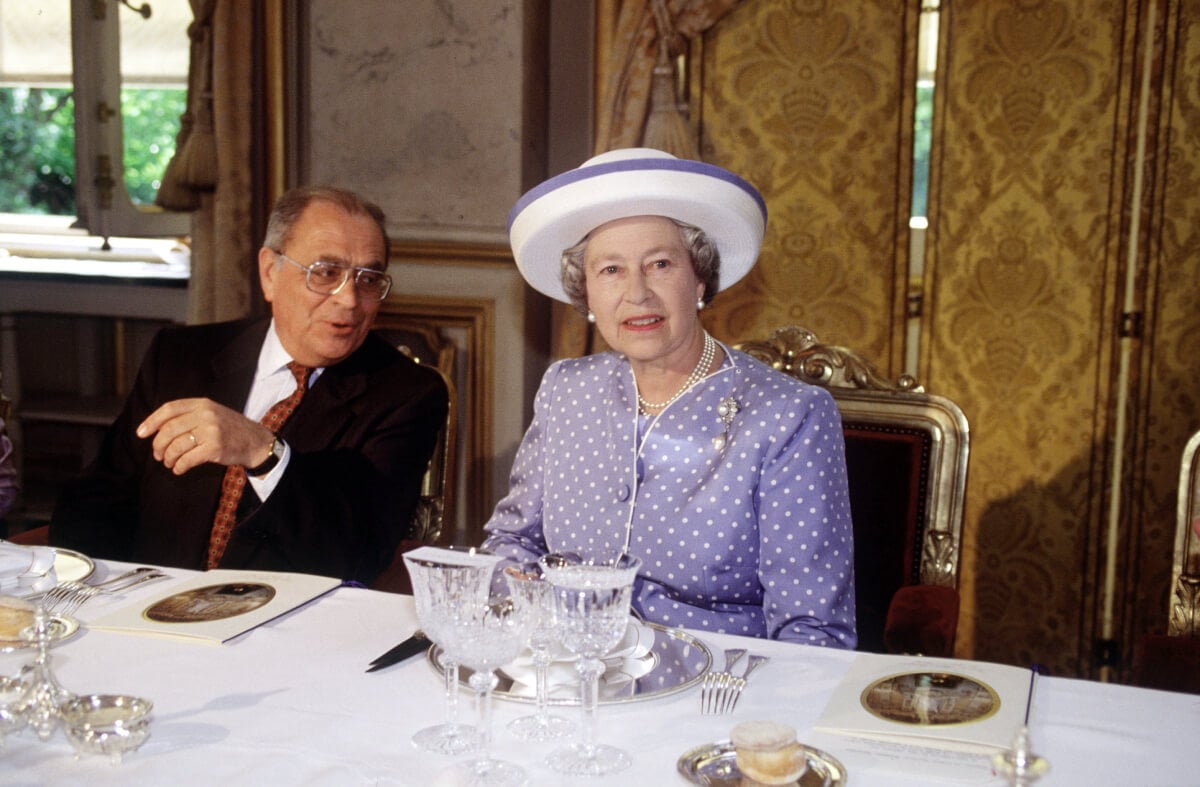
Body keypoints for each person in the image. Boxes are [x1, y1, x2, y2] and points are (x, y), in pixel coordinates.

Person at [482, 148, 857, 647]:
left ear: (698, 278)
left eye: (659, 264)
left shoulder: (787, 416)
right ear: (586, 295)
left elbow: (813, 631)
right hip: (574, 673)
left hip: (717, 691)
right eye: (610, 270)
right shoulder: (566, 390)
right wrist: (522, 594)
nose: (637, 294)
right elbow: (511, 541)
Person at [50, 186, 448, 584]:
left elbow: (360, 553)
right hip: (145, 611)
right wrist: (94, 599)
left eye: (368, 279)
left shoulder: (406, 394)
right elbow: (96, 502)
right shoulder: (180, 357)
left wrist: (264, 452)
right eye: (326, 273)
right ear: (270, 273)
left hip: (286, 629)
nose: (349, 300)